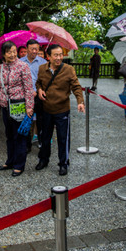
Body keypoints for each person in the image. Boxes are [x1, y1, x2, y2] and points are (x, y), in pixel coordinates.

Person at [35, 44, 85, 175]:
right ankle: (43, 160)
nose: (59, 58)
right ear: (48, 57)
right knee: (45, 137)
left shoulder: (68, 69)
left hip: (62, 110)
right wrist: (39, 90)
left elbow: (76, 87)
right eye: (55, 55)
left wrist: (80, 102)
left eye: (61, 55)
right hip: (46, 109)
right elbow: (38, 83)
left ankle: (63, 163)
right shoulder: (42, 69)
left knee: (63, 138)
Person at [0, 41, 34, 177]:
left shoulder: (23, 66)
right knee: (9, 135)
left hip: (19, 105)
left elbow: (28, 88)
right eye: (9, 52)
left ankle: (19, 165)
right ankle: (10, 161)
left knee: (20, 136)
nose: (12, 54)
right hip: (5, 106)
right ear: (3, 54)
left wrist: (29, 107)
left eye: (14, 51)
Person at [19, 39, 47, 151]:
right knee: (26, 119)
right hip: (24, 96)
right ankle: (26, 145)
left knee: (40, 120)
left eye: (37, 49)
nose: (35, 51)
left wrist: (38, 90)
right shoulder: (20, 62)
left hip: (38, 95)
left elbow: (46, 80)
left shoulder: (43, 62)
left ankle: (41, 142)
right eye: (32, 49)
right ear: (27, 49)